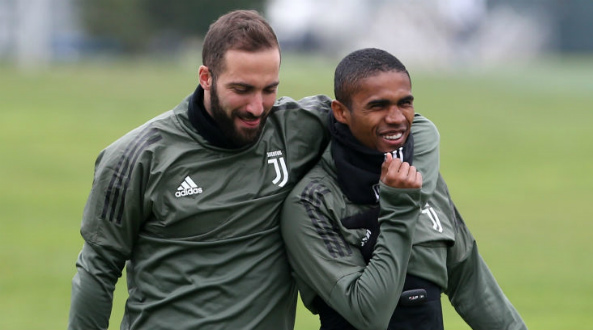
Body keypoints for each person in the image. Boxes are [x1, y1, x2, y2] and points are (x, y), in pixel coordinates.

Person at [67, 10, 442, 330]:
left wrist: (407, 192)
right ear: (205, 77)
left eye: (269, 89)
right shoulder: (135, 158)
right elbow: (97, 272)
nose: (257, 107)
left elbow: (411, 124)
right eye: (242, 89)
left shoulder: (296, 126)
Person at [280, 48, 527, 330]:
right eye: (377, 106)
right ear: (341, 112)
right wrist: (398, 207)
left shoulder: (420, 178)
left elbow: (469, 279)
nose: (396, 118)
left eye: (405, 103)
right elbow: (368, 314)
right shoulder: (311, 202)